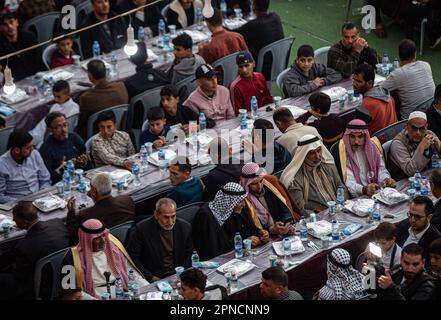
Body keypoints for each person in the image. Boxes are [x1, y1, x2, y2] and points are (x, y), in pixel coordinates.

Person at [0, 201, 69, 299]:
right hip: (64, 272)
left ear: (25, 223)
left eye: (15, 219)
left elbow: (20, 275)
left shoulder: (24, 247)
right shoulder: (57, 223)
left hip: (40, 283)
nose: (13, 220)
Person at [63, 219, 147, 299]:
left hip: (123, 287)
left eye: (104, 235)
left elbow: (128, 269)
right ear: (86, 239)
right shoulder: (71, 257)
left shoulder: (114, 244)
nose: (103, 240)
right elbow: (69, 291)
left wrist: (146, 285)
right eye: (97, 238)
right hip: (96, 294)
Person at [193, 182, 269, 260]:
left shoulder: (235, 210)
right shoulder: (207, 216)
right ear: (229, 202)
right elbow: (214, 248)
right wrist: (243, 242)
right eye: (240, 201)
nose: (243, 204)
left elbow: (245, 230)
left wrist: (260, 234)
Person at [127, 198, 193, 282]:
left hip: (179, 274)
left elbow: (189, 254)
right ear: (156, 215)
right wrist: (150, 277)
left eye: (173, 216)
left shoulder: (185, 227)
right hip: (154, 276)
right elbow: (133, 258)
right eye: (166, 217)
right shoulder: (140, 230)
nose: (170, 222)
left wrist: (183, 272)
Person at [280, 134, 345, 217]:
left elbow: (341, 188)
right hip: (319, 219)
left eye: (318, 151)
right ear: (303, 155)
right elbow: (301, 208)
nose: (317, 156)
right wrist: (321, 216)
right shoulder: (295, 179)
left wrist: (344, 207)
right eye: (312, 153)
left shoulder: (329, 166)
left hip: (340, 210)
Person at [65, 172, 135, 243]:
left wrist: (71, 213)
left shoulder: (86, 216)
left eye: (90, 187)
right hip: (127, 240)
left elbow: (73, 236)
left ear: (94, 191)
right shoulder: (127, 200)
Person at [332, 119, 395, 197]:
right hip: (356, 197)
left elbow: (381, 169)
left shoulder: (373, 147)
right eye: (352, 137)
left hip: (377, 192)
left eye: (360, 137)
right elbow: (348, 181)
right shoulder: (342, 152)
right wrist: (364, 189)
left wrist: (386, 180)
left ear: (365, 137)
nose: (356, 141)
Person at [240, 162, 301, 237]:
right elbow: (251, 227)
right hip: (266, 236)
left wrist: (286, 224)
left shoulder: (271, 183)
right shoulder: (242, 199)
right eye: (254, 184)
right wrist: (272, 230)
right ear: (247, 183)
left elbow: (285, 207)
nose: (259, 186)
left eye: (261, 181)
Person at [380, 39, 435, 120]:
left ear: (399, 56)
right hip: (431, 114)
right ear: (415, 54)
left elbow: (379, 89)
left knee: (391, 98)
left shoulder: (398, 74)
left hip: (409, 121)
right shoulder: (426, 65)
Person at [78, 60, 129, 138]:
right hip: (121, 127)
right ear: (105, 73)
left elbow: (82, 120)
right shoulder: (121, 86)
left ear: (90, 76)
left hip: (98, 133)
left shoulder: (86, 98)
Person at [236, 0, 284, 80]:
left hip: (263, 67)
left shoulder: (253, 25)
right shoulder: (275, 17)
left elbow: (235, 34)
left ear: (254, 6)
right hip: (279, 63)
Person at [0, 129, 51, 204]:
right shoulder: (2, 164)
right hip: (18, 204)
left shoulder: (35, 154)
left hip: (40, 199)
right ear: (17, 150)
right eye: (28, 148)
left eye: (32, 146)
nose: (32, 149)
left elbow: (45, 180)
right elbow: (1, 196)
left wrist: (42, 196)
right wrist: (21, 203)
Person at [388, 111, 441, 181]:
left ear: (426, 126)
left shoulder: (429, 134)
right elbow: (410, 171)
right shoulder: (398, 143)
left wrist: (439, 146)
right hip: (405, 182)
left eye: (422, 128)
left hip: (427, 175)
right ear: (407, 126)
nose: (418, 133)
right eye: (414, 128)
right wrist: (421, 148)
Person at [39, 112, 90, 183]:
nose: (64, 130)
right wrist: (63, 168)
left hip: (82, 177)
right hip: (64, 183)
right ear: (50, 130)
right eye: (58, 127)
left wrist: (83, 163)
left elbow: (88, 164)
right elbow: (49, 177)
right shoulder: (46, 149)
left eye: (65, 125)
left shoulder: (74, 138)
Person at [30, 80, 80, 148]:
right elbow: (42, 126)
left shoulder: (73, 109)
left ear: (68, 94)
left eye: (59, 97)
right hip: (43, 135)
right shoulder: (55, 106)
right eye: (54, 96)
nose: (56, 100)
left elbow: (63, 131)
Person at [352, 63, 397, 136]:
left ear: (369, 83)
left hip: (375, 144)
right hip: (390, 140)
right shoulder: (388, 96)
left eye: (359, 81)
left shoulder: (366, 106)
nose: (354, 84)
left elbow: (355, 133)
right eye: (354, 80)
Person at [396, 196, 441, 264]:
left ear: (429, 217)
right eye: (410, 215)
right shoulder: (403, 226)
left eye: (418, 217)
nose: (412, 220)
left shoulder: (435, 241)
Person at [0, 11, 44, 80]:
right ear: (1, 28)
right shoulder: (1, 45)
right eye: (5, 25)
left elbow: (39, 59)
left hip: (35, 77)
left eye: (11, 22)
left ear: (17, 22)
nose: (9, 27)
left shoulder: (30, 36)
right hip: (15, 81)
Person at [202, 137, 243, 202]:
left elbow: (207, 199)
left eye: (210, 155)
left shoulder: (213, 177)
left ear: (216, 155)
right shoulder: (242, 164)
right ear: (230, 150)